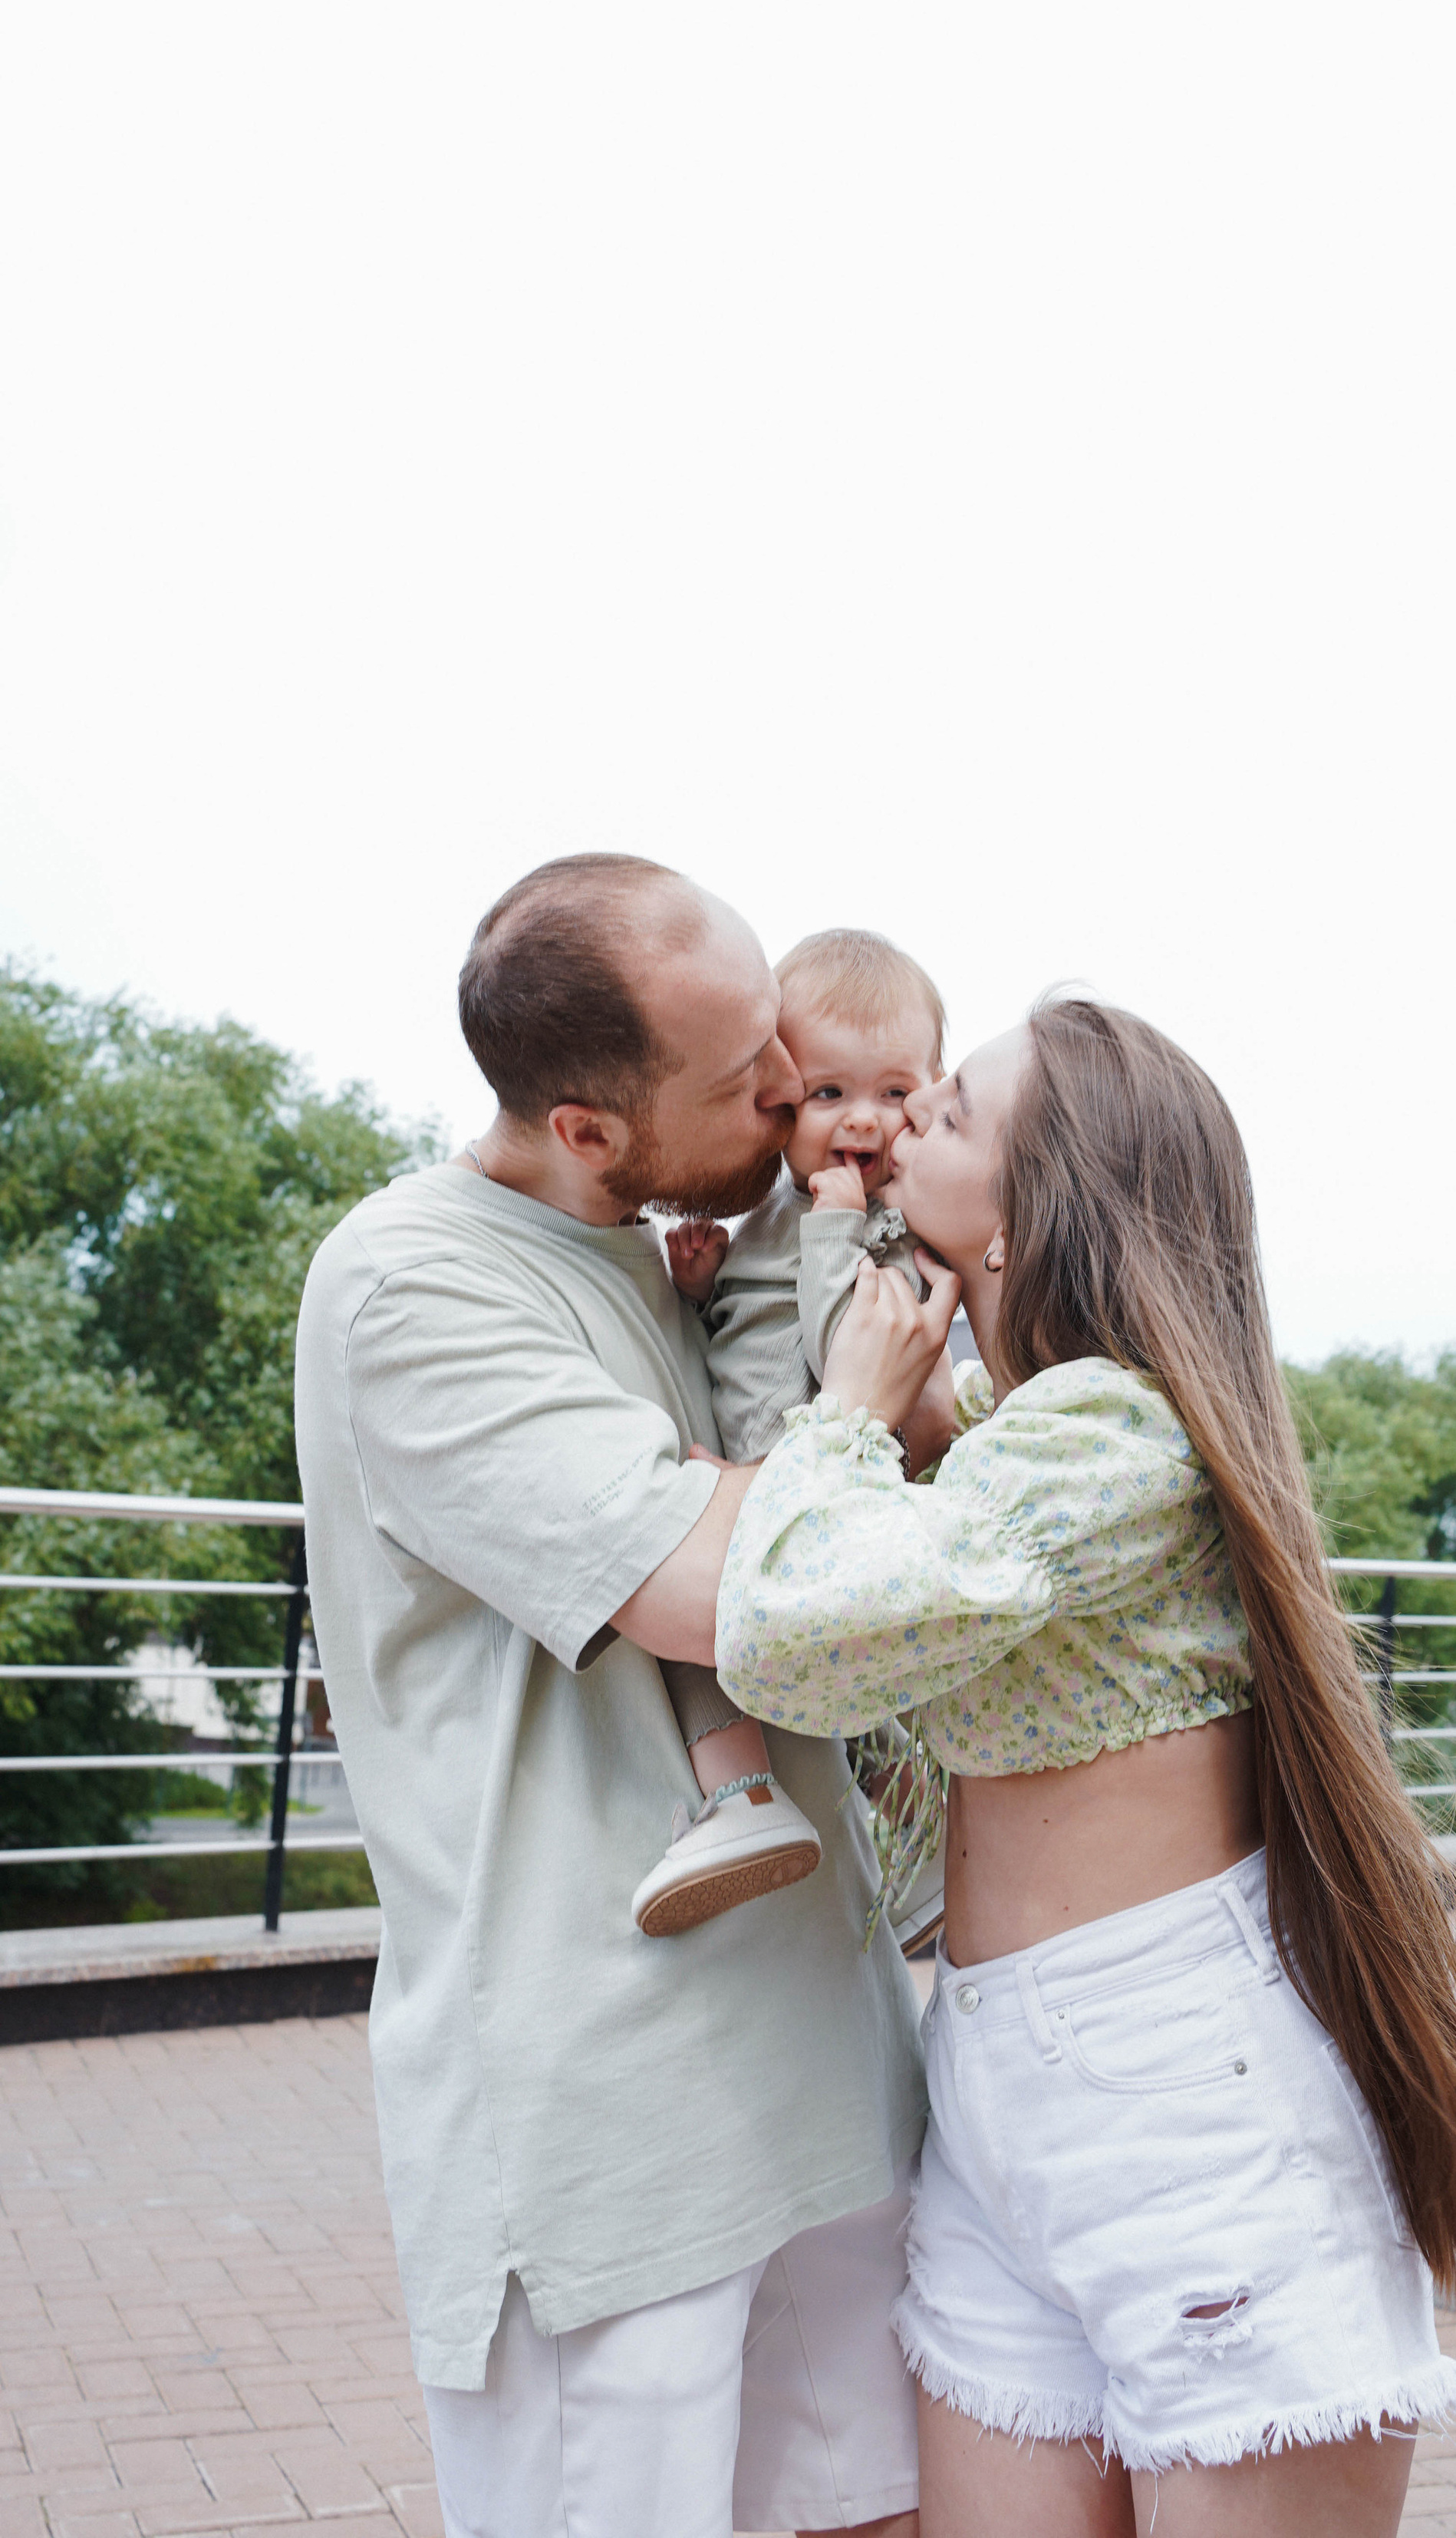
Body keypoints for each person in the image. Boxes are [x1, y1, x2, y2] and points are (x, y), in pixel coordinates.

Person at [704, 997, 1456, 2538]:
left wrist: (839, 1409)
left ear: (1034, 1218)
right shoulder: (1033, 1436)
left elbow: (789, 1639)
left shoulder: (1108, 1435)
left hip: (1177, 2091)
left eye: (949, 1113)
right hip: (998, 2086)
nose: (902, 1127)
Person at [293, 853, 926, 2538]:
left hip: (820, 2067)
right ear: (587, 1126)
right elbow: (729, 1594)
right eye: (745, 1080)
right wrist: (854, 1414)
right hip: (611, 2121)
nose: (794, 1092)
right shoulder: (415, 1283)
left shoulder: (681, 1258)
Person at [634, 925, 946, 1937]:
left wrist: (841, 1222)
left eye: (895, 1094)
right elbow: (741, 1328)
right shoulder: (782, 1208)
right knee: (676, 1612)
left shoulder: (891, 1222)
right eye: (829, 1095)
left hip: (821, 1475)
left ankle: (921, 1836)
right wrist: (700, 1282)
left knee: (870, 1698)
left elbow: (844, 1336)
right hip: (745, 1466)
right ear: (778, 1095)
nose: (863, 1120)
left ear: (932, 1096)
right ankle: (744, 1797)